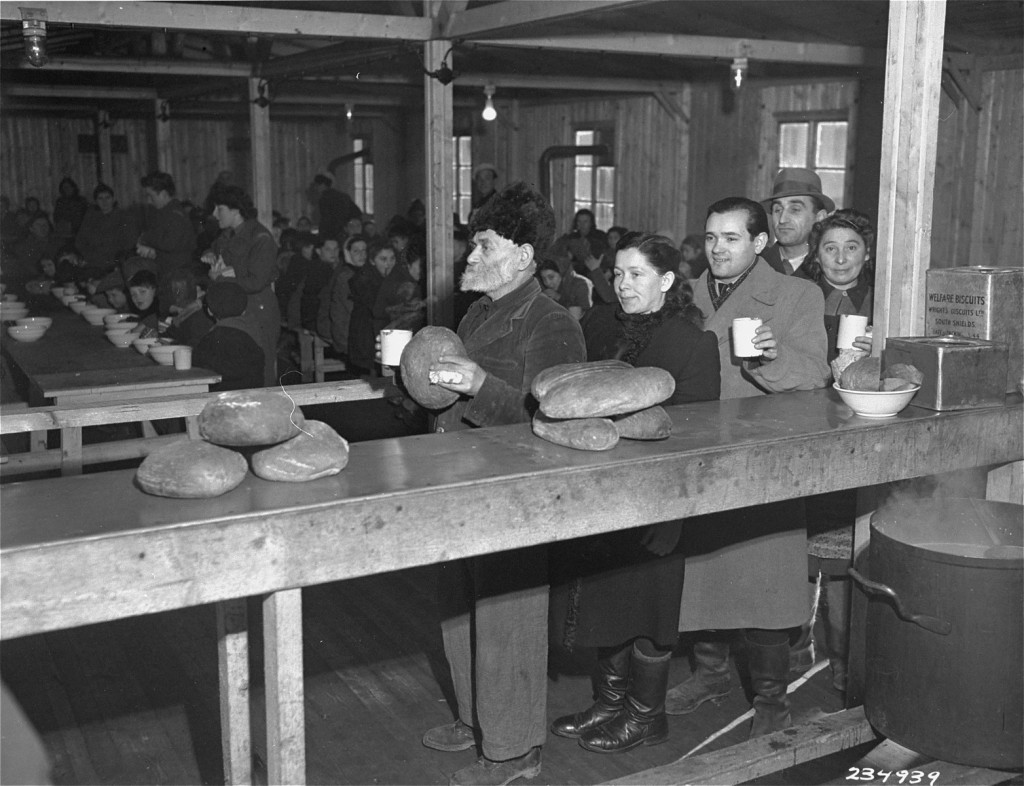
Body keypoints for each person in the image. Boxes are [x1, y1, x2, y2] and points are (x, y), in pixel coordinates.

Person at [421, 182, 586, 786]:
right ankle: (476, 719)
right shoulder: (479, 310)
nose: (469, 256)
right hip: (460, 482)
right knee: (456, 606)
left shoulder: (551, 324)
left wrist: (476, 387)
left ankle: (513, 751)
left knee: (506, 618)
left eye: (482, 245)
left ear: (521, 256)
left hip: (514, 495)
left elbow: (555, 418)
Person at [664, 196, 829, 738]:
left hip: (763, 460)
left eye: (731, 238)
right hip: (699, 455)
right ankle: (710, 673)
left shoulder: (798, 294)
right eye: (711, 238)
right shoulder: (684, 293)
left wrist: (768, 359)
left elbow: (815, 373)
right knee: (702, 573)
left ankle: (772, 703)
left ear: (759, 243)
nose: (717, 249)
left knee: (764, 584)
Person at [550, 233, 720, 754]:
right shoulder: (599, 325)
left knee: (649, 611)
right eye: (618, 274)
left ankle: (648, 716)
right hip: (601, 497)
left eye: (637, 275)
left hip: (658, 501)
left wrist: (674, 517)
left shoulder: (693, 344)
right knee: (606, 605)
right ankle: (610, 704)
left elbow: (696, 441)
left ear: (667, 281)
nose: (623, 285)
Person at [795, 208, 875, 693]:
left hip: (861, 432)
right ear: (815, 255)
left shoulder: (885, 301)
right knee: (797, 541)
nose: (841, 257)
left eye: (852, 247)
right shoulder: (801, 300)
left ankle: (847, 667)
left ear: (867, 255)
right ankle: (792, 652)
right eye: (830, 247)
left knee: (851, 546)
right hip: (809, 427)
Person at [202, 185, 280, 386]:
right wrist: (210, 254)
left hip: (258, 308)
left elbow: (255, 282)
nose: (214, 214)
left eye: (219, 209)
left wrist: (220, 278)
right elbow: (218, 248)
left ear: (235, 210)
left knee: (263, 368)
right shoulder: (229, 234)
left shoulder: (260, 238)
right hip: (237, 309)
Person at [137, 170, 197, 315]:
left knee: (180, 316)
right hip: (168, 276)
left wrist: (145, 238)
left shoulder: (174, 215)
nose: (149, 201)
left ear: (163, 193)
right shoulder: (165, 213)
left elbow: (169, 243)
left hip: (178, 280)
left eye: (151, 196)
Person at [760, 168, 833, 279]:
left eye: (795, 209)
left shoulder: (833, 268)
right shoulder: (756, 266)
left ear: (820, 218)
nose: (782, 219)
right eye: (777, 210)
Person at [194, 280, 265, 391]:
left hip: (224, 399)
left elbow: (201, 362)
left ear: (209, 311)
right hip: (253, 398)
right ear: (244, 310)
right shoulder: (253, 328)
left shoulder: (216, 337)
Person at [317, 233, 367, 359]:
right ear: (347, 253)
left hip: (350, 328)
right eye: (356, 251)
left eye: (364, 251)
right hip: (344, 333)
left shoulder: (359, 272)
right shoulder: (346, 276)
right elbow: (353, 311)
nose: (362, 255)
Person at [74, 184, 138, 274]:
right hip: (92, 261)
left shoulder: (124, 216)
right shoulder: (90, 217)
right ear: (96, 201)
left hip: (115, 262)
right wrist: (87, 256)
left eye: (107, 197)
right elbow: (80, 241)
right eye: (100, 198)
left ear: (113, 199)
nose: (105, 202)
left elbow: (130, 242)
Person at [310, 174, 361, 242]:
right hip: (345, 232)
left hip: (331, 234)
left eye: (317, 185)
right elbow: (357, 212)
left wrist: (323, 234)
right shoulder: (344, 196)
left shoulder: (324, 198)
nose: (316, 188)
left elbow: (326, 219)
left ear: (323, 185)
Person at [537, 256, 590, 320]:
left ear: (562, 275)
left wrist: (559, 298)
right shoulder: (544, 291)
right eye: (544, 279)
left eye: (551, 277)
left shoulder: (579, 286)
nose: (547, 283)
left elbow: (576, 317)